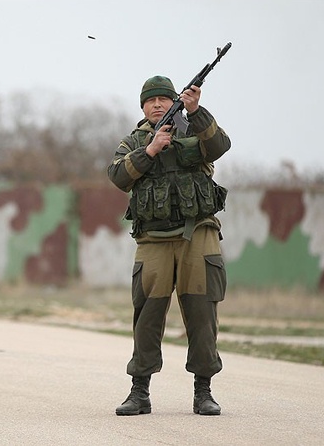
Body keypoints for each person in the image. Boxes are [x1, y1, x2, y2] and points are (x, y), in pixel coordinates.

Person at [107, 76, 231, 416]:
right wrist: (149, 150)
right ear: (143, 107)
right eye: (151, 100)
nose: (158, 104)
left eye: (164, 98)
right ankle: (140, 392)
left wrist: (197, 111)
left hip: (198, 234)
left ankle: (203, 392)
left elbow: (220, 145)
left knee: (202, 314)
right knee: (146, 315)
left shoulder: (194, 129)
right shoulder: (134, 140)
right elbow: (117, 176)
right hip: (153, 240)